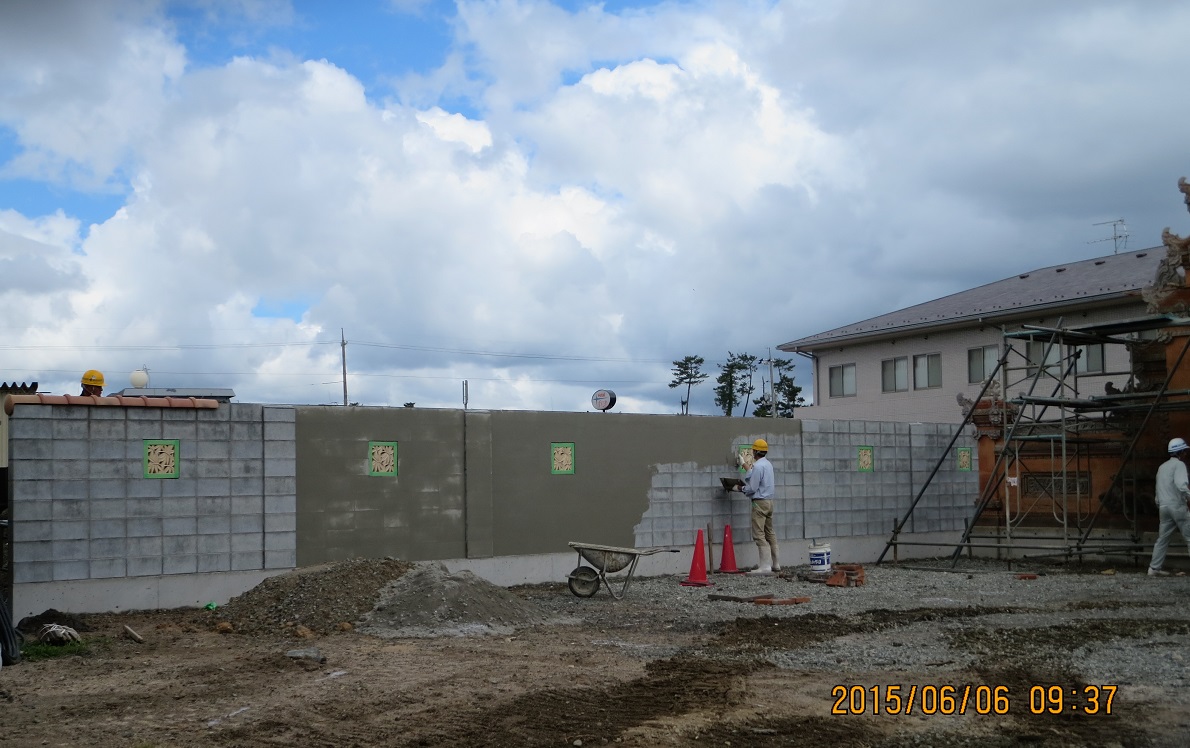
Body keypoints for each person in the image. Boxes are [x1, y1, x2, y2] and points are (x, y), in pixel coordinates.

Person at [732, 438, 778, 575]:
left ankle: (765, 566)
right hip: (769, 502)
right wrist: (744, 465)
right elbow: (755, 475)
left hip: (759, 503)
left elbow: (752, 487)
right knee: (770, 533)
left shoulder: (758, 466)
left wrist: (739, 488)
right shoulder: (768, 464)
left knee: (759, 534)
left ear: (755, 451)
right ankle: (776, 564)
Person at [1148, 437, 1190, 576]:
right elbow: (1181, 485)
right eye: (1185, 451)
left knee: (1162, 539)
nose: (1186, 454)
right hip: (1177, 505)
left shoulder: (1162, 467)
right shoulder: (1179, 465)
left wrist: (1159, 503)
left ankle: (1154, 568)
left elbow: (1158, 489)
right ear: (1181, 452)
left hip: (1163, 506)